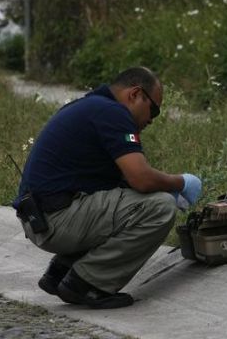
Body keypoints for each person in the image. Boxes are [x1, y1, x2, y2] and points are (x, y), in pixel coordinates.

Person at [14, 66, 202, 309]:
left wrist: (163, 185)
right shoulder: (113, 113)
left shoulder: (91, 107)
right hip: (57, 219)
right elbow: (141, 178)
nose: (151, 120)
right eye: (153, 109)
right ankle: (87, 284)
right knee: (160, 208)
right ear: (135, 94)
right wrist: (182, 182)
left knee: (133, 202)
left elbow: (123, 186)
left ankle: (62, 271)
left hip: (41, 219)